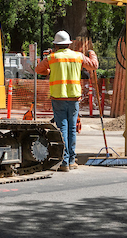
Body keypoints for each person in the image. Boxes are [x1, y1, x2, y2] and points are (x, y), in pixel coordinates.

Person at [35, 30, 98, 172]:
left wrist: (49, 71)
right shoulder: (78, 56)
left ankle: (64, 162)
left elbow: (38, 70)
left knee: (62, 129)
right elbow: (94, 65)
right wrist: (92, 53)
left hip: (58, 97)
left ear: (56, 45)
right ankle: (71, 161)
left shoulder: (52, 57)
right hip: (74, 97)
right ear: (69, 44)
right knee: (72, 129)